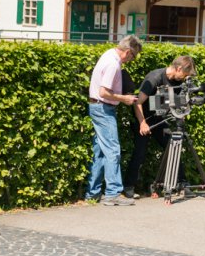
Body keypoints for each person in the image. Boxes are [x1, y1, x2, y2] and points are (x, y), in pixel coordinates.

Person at [123, 55, 197, 199]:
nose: (185, 77)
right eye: (185, 74)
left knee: (173, 145)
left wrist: (181, 114)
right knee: (139, 152)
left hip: (159, 118)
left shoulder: (178, 81)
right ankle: (128, 186)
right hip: (143, 119)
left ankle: (182, 184)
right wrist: (142, 123)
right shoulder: (154, 78)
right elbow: (138, 102)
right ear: (178, 68)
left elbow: (175, 102)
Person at [84, 35, 142, 206]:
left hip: (97, 106)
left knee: (101, 151)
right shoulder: (113, 64)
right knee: (112, 150)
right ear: (128, 52)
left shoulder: (108, 54)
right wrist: (124, 98)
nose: (131, 60)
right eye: (133, 56)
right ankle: (113, 193)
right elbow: (103, 92)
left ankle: (92, 193)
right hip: (103, 108)